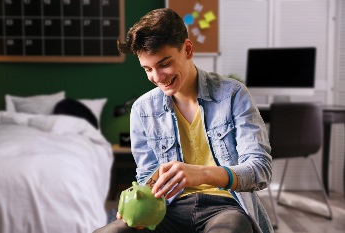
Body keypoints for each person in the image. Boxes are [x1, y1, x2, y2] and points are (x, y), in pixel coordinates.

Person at [94, 8, 273, 233]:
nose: (157, 78)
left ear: (187, 49)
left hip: (226, 208)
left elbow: (260, 168)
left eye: (164, 64)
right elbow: (148, 175)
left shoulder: (233, 95)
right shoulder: (142, 109)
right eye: (148, 69)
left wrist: (201, 173)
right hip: (167, 210)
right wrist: (138, 200)